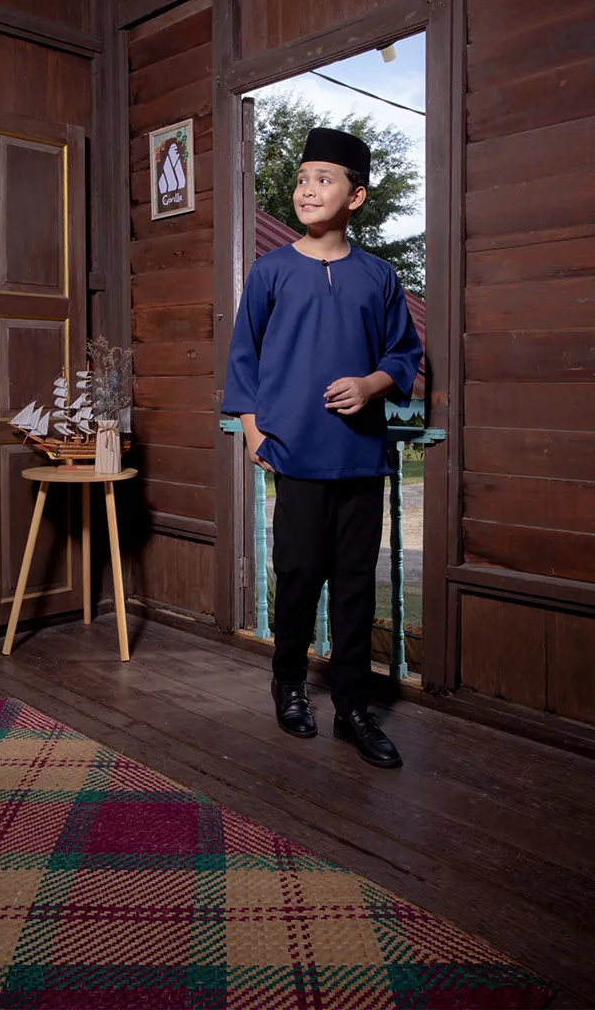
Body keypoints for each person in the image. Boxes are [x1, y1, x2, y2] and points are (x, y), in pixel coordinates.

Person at [222, 127, 422, 768]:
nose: (307, 189)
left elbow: (404, 354)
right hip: (296, 456)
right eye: (303, 179)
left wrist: (370, 384)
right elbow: (244, 358)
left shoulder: (379, 276)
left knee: (356, 586)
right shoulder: (270, 271)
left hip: (360, 458)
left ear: (355, 196)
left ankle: (354, 710)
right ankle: (288, 685)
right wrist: (254, 430)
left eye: (324, 179)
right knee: (300, 576)